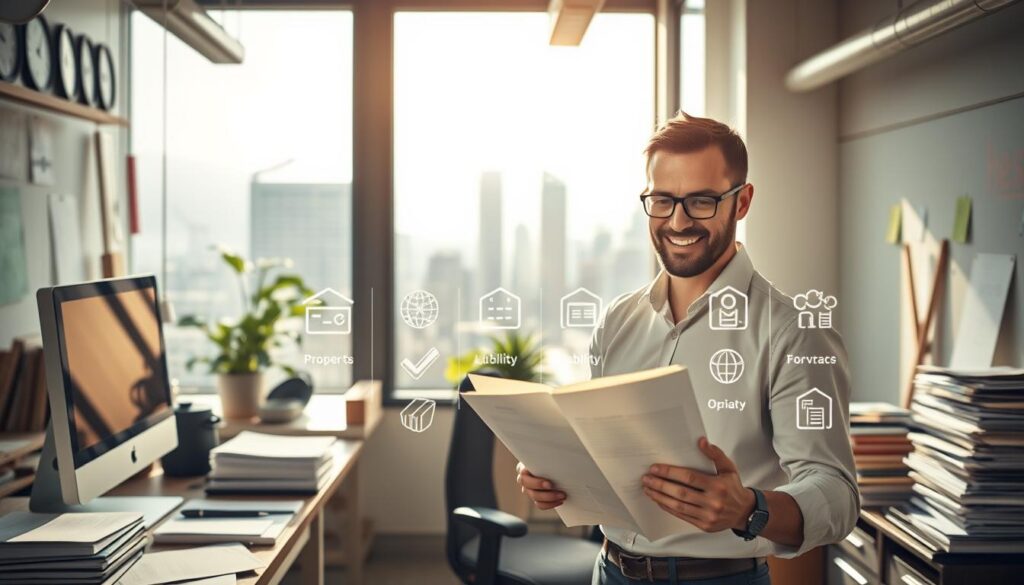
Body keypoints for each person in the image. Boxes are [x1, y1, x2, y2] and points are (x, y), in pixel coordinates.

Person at [516, 112, 859, 584]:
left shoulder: (793, 332)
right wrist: (553, 473)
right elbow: (599, 451)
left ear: (742, 203)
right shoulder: (618, 321)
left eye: (701, 201)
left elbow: (837, 495)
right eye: (662, 200)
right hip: (609, 571)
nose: (678, 221)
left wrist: (750, 509)